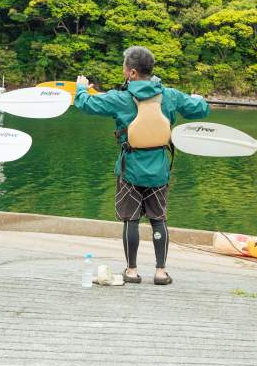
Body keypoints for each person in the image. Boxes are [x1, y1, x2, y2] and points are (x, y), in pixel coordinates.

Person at [74, 46, 209, 285]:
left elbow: (85, 104)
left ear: (133, 73)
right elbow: (200, 109)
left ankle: (132, 270)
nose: (123, 71)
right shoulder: (169, 95)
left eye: (125, 67)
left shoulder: (120, 98)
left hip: (130, 170)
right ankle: (160, 271)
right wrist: (198, 99)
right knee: (158, 219)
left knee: (131, 220)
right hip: (159, 169)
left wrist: (81, 87)